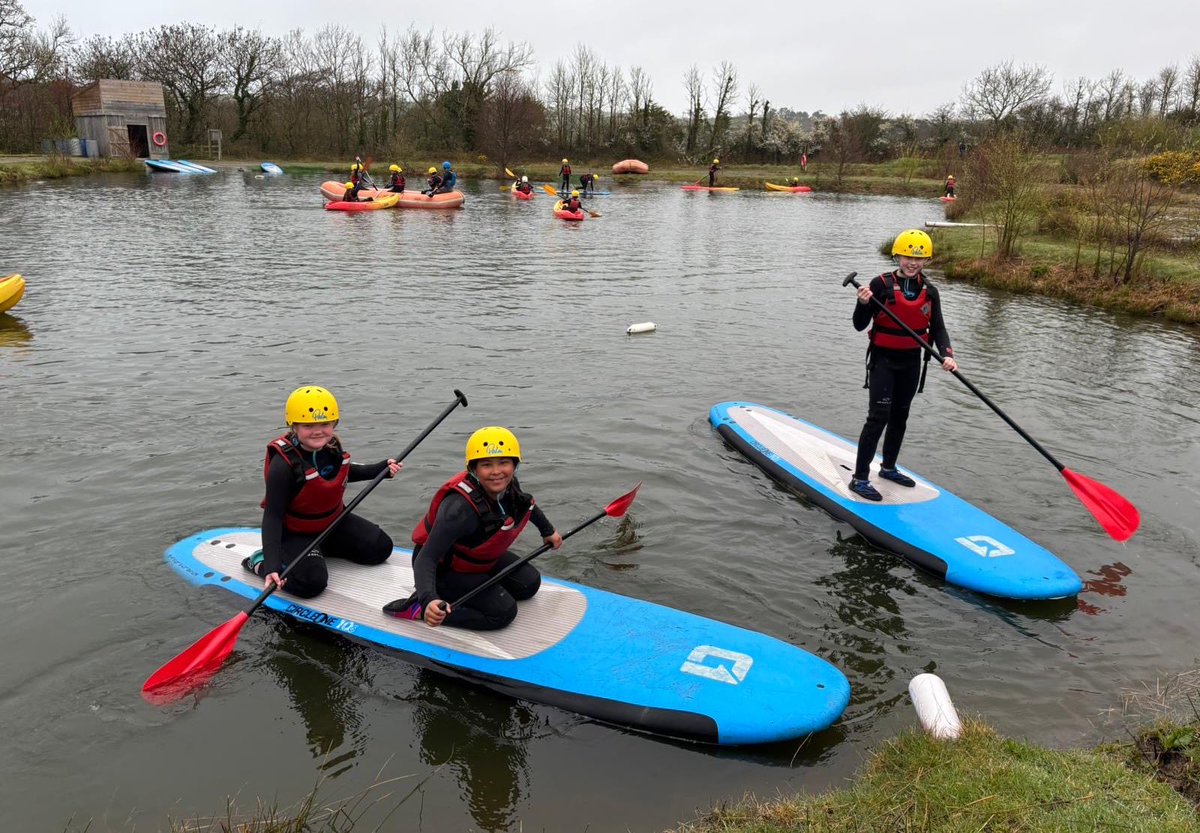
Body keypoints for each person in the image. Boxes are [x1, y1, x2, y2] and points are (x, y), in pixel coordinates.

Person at [383, 427, 562, 630]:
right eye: (487, 465)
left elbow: (525, 504)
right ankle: (419, 609)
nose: (496, 472)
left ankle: (477, 591)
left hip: (475, 562)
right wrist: (429, 599)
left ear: (515, 465)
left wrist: (547, 531)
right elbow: (426, 558)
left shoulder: (509, 485)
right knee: (503, 613)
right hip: (445, 570)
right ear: (474, 469)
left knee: (529, 583)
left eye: (504, 463)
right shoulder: (458, 509)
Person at [248, 386, 402, 598]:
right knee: (312, 584)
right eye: (308, 425)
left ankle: (316, 552)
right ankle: (259, 562)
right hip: (295, 533)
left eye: (325, 424)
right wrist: (273, 565)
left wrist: (380, 469)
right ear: (294, 426)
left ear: (334, 424)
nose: (317, 431)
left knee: (380, 548)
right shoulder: (282, 466)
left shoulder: (330, 447)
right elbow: (273, 516)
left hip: (331, 524)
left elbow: (343, 472)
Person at [848, 230, 958, 501]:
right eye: (908, 256)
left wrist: (946, 354)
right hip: (883, 361)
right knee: (878, 417)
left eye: (919, 258)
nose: (912, 263)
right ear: (897, 255)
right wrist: (862, 304)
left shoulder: (930, 291)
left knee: (900, 416)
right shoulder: (880, 285)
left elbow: (939, 329)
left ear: (926, 260)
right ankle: (859, 478)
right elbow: (860, 324)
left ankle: (888, 468)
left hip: (911, 364)